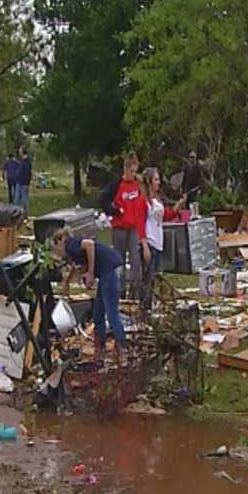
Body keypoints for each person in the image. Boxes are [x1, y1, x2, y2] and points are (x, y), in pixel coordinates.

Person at [53, 229, 127, 363]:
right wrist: (67, 283)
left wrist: (91, 273)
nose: (57, 253)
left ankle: (122, 350)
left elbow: (89, 245)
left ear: (59, 242)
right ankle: (100, 348)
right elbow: (76, 265)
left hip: (109, 270)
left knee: (112, 314)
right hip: (108, 270)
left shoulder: (70, 245)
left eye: (55, 249)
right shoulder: (73, 250)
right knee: (98, 313)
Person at [102, 153, 150, 300]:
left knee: (136, 259)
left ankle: (136, 292)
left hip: (133, 227)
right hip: (119, 228)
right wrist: (115, 211)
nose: (133, 174)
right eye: (131, 171)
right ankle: (120, 291)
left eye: (135, 171)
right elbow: (104, 200)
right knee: (119, 260)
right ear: (125, 169)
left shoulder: (137, 185)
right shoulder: (117, 184)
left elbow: (143, 204)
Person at [142, 168, 184, 304]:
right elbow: (139, 222)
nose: (158, 182)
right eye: (156, 179)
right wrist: (144, 244)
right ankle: (144, 305)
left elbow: (165, 215)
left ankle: (150, 304)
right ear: (149, 182)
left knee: (155, 277)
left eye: (158, 179)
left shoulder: (157, 199)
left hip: (158, 242)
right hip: (150, 241)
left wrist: (179, 205)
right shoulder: (144, 200)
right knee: (148, 278)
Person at [17, 147, 32, 213]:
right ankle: (17, 214)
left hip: (24, 183)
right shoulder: (22, 161)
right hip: (19, 182)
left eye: (20, 150)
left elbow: (27, 173)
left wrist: (27, 183)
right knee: (17, 199)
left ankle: (26, 215)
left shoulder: (27, 161)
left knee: (24, 200)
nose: (19, 152)